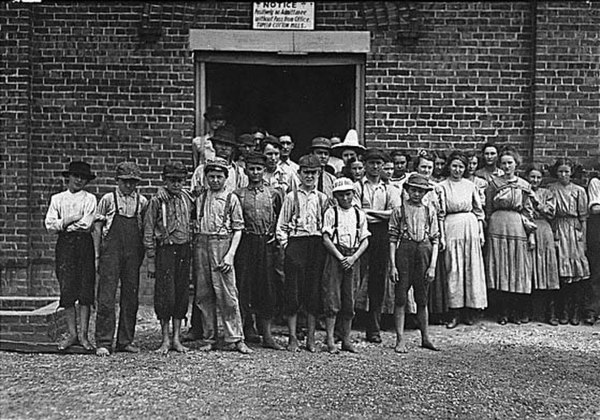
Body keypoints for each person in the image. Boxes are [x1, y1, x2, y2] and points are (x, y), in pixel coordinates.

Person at [193, 157, 251, 354]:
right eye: (211, 176)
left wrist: (230, 255)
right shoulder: (200, 198)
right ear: (206, 177)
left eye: (219, 177)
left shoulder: (231, 198)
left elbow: (238, 229)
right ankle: (209, 337)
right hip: (202, 244)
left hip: (222, 244)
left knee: (227, 294)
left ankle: (236, 338)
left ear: (226, 178)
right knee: (204, 294)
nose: (215, 180)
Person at [94, 162, 148, 356]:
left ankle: (125, 340)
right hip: (111, 252)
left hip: (132, 253)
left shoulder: (142, 201)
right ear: (117, 180)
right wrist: (97, 254)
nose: (129, 186)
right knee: (106, 296)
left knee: (130, 296)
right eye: (125, 182)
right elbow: (98, 228)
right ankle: (104, 341)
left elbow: (143, 229)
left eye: (133, 182)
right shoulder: (108, 199)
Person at [276, 154, 328, 352]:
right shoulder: (291, 197)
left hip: (315, 245)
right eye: (306, 172)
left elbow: (327, 224)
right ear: (299, 174)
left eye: (313, 173)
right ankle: (292, 338)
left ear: (318, 173)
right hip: (296, 244)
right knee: (293, 291)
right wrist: (286, 245)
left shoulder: (322, 198)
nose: (309, 176)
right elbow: (281, 225)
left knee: (313, 291)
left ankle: (311, 338)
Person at [234, 152, 285, 350]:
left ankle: (267, 333)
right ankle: (246, 329)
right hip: (246, 243)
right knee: (245, 285)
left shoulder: (274, 193)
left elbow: (281, 217)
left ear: (264, 170)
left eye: (259, 169)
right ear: (245, 170)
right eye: (251, 168)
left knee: (267, 287)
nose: (255, 172)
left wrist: (275, 234)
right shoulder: (238, 194)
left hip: (267, 243)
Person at [45, 161, 97, 351]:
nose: (79, 180)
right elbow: (50, 225)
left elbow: (86, 223)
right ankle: (72, 334)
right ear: (69, 177)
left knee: (85, 288)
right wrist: (68, 220)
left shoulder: (90, 198)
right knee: (67, 288)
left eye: (83, 177)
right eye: (76, 176)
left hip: (84, 243)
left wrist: (65, 224)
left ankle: (83, 335)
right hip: (65, 245)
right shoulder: (57, 199)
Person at [143, 161, 194, 354]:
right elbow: (148, 230)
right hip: (165, 251)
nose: (176, 184)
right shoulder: (157, 201)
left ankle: (176, 338)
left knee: (181, 294)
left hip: (183, 250)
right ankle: (164, 339)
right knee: (166, 294)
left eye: (180, 180)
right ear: (164, 180)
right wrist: (151, 259)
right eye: (172, 180)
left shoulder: (187, 198)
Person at [353, 148, 401, 343]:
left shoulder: (390, 189)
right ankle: (345, 326)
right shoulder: (357, 186)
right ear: (365, 165)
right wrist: (377, 213)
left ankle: (374, 328)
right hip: (361, 233)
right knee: (356, 277)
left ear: (382, 166)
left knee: (378, 280)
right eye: (371, 163)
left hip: (381, 234)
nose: (375, 167)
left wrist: (370, 212)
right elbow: (357, 212)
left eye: (378, 164)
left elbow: (394, 213)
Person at [389, 173, 439, 353]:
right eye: (413, 190)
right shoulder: (399, 210)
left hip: (424, 252)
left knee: (422, 298)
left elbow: (435, 239)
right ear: (407, 190)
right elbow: (393, 239)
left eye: (420, 191)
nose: (417, 194)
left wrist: (432, 266)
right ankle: (400, 339)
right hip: (404, 253)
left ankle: (425, 337)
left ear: (425, 193)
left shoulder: (429, 210)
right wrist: (393, 265)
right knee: (401, 297)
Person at [485, 147, 536, 325]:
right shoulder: (493, 182)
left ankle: (516, 311)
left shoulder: (524, 185)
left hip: (517, 226)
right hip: (497, 225)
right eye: (504, 163)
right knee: (499, 266)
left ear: (516, 164)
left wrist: (530, 235)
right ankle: (502, 312)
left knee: (516, 267)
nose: (507, 166)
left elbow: (528, 212)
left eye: (510, 163)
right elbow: (488, 209)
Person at [437, 152, 487, 328]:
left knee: (470, 268)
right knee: (454, 269)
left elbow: (478, 211)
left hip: (470, 227)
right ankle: (454, 312)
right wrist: (442, 236)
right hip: (452, 227)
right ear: (448, 166)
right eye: (454, 166)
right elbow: (440, 214)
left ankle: (470, 310)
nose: (457, 170)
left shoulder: (470, 185)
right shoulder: (441, 186)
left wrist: (480, 232)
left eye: (461, 167)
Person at [321, 178, 370, 354]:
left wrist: (354, 257)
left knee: (349, 298)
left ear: (353, 194)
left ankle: (346, 339)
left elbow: (365, 240)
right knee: (332, 297)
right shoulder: (331, 213)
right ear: (335, 196)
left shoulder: (359, 214)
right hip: (336, 256)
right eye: (341, 195)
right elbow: (326, 238)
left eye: (348, 194)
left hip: (353, 257)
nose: (345, 198)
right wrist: (341, 256)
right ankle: (330, 339)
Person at [548, 159, 590, 325]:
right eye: (560, 172)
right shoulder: (551, 189)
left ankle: (575, 311)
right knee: (559, 272)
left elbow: (583, 218)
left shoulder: (579, 191)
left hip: (574, 230)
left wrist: (583, 239)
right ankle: (561, 311)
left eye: (566, 172)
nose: (563, 175)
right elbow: (550, 213)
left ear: (571, 173)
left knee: (575, 274)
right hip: (558, 228)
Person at [526, 165, 560, 325]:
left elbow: (550, 213)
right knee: (528, 269)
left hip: (544, 229)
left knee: (547, 269)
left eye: (538, 177)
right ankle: (527, 311)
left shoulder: (547, 193)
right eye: (532, 177)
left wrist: (536, 200)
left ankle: (550, 312)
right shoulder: (522, 190)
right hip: (526, 229)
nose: (535, 180)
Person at [584, 169, 600, 325]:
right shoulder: (596, 183)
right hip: (598, 230)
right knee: (596, 272)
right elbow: (595, 208)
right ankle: (592, 310)